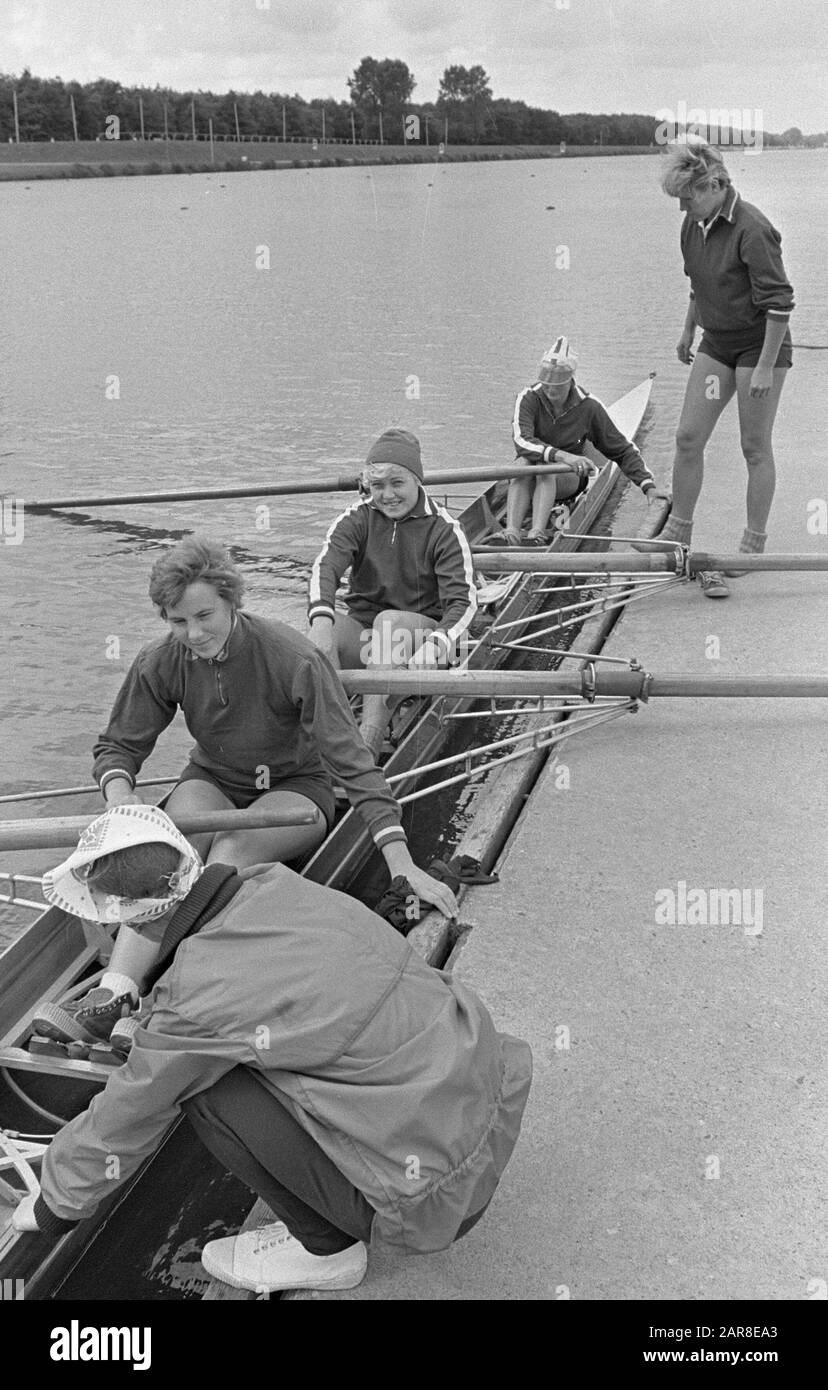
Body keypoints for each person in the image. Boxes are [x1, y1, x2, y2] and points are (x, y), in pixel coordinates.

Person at [14, 807, 533, 1295]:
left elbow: (130, 1110)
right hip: (485, 1107)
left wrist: (53, 1205)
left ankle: (327, 1250)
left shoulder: (195, 996)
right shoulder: (274, 885)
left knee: (206, 1089)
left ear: (125, 919)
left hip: (432, 1200)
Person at [33, 536, 457, 1047]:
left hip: (296, 789)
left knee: (229, 854)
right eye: (177, 622)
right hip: (211, 780)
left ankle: (169, 1001)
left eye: (205, 616)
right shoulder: (161, 661)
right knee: (167, 857)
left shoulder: (293, 658)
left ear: (234, 600)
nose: (193, 634)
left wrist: (401, 863)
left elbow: (355, 766)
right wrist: (121, 797)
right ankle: (117, 994)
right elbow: (118, 747)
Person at [656, 141, 794, 599]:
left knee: (754, 447)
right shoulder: (692, 224)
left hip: (760, 346)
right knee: (687, 438)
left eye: (688, 196)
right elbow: (698, 286)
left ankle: (753, 544)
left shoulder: (753, 228)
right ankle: (678, 531)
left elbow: (779, 306)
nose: (682, 205)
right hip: (716, 343)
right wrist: (686, 332)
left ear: (714, 185)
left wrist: (765, 368)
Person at [308, 428, 478, 757]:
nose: (387, 495)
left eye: (397, 483)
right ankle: (328, 733)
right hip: (369, 638)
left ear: (418, 480)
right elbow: (324, 568)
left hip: (423, 644)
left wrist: (437, 644)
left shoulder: (444, 530)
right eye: (378, 486)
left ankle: (368, 740)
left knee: (389, 624)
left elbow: (463, 603)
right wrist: (320, 622)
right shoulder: (356, 519)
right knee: (321, 630)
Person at [499, 336, 663, 545]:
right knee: (524, 464)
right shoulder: (528, 397)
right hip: (531, 473)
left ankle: (536, 535)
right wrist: (563, 456)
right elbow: (521, 440)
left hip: (568, 480)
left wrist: (648, 486)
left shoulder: (589, 407)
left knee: (544, 468)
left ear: (570, 380)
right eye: (546, 384)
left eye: (557, 386)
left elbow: (622, 451)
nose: (550, 391)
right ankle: (511, 533)